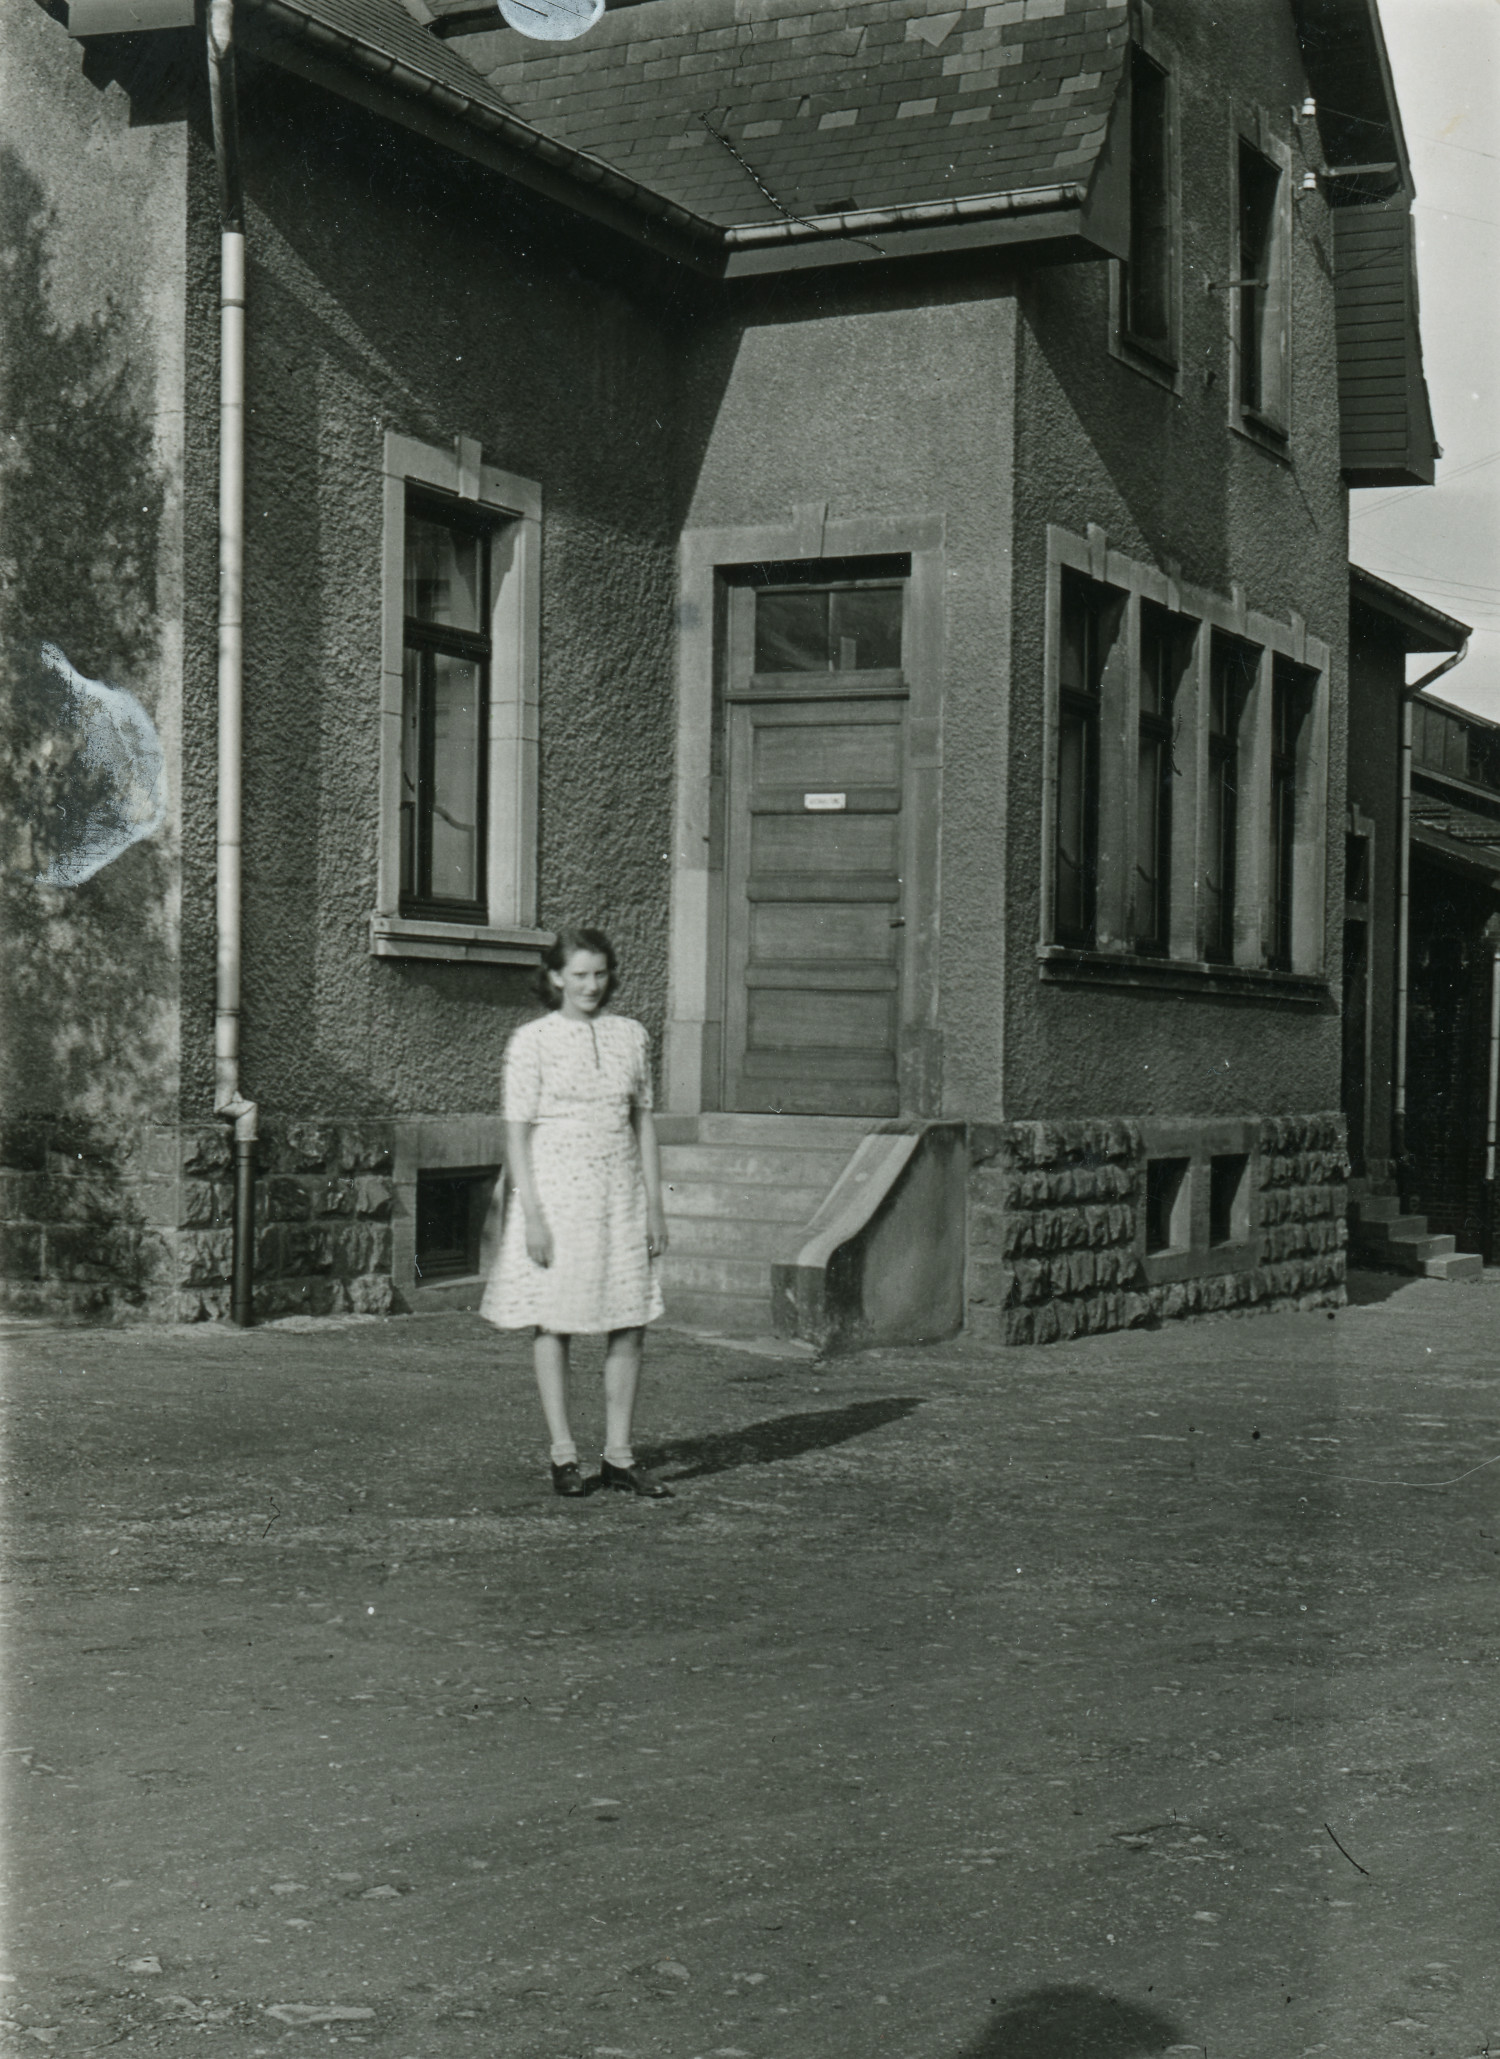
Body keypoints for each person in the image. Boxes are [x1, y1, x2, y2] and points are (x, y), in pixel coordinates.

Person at [480, 927, 672, 1499]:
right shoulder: (531, 1041)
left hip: (619, 1194)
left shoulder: (632, 1036)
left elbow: (643, 1123)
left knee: (629, 1317)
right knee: (554, 1319)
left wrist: (655, 1206)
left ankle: (619, 1455)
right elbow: (516, 1135)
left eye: (600, 973)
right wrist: (532, 1214)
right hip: (558, 1197)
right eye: (579, 974)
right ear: (556, 977)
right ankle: (564, 1454)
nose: (591, 985)